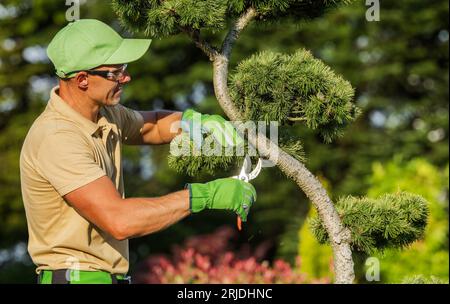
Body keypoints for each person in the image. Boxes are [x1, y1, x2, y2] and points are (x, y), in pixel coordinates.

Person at [19, 19, 256, 284]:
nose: (126, 77)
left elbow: (150, 127)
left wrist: (194, 122)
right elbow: (120, 221)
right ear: (82, 79)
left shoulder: (103, 114)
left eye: (124, 68)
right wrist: (205, 195)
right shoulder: (57, 138)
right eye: (115, 73)